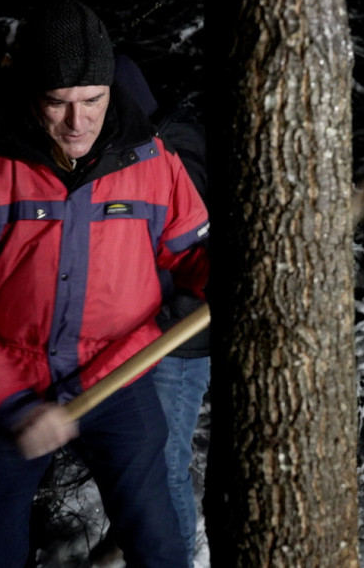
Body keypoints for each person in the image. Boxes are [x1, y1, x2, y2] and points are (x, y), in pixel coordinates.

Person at [0, 0, 209, 567]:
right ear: (31, 93)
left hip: (117, 377)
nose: (77, 122)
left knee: (158, 545)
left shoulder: (152, 161)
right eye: (57, 103)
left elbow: (192, 253)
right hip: (10, 387)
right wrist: (8, 403)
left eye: (92, 101)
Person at [109, 54, 211, 567]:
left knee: (167, 464)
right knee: (143, 462)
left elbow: (189, 246)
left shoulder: (170, 149)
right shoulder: (133, 147)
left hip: (178, 336)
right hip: (143, 335)